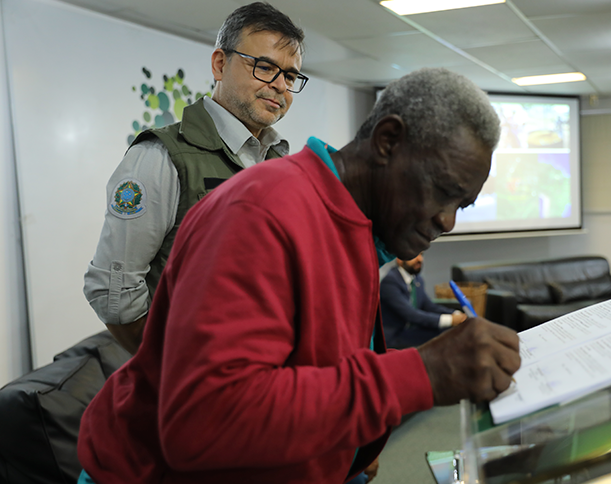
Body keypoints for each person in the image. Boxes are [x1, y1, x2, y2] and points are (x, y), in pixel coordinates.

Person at [78, 67, 521, 484]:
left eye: (462, 206)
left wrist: (350, 447)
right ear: (388, 141)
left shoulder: (357, 229)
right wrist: (421, 373)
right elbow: (205, 421)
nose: (447, 221)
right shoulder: (261, 210)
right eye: (443, 191)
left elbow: (308, 370)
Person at [83, 2, 306, 355]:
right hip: (193, 374)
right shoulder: (161, 156)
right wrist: (169, 366)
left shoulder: (280, 161)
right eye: (265, 67)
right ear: (220, 64)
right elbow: (113, 291)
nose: (280, 85)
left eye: (290, 76)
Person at [381, 252, 467, 348]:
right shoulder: (390, 281)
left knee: (448, 331)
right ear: (400, 260)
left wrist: (455, 314)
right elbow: (411, 315)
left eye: (421, 255)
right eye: (415, 255)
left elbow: (430, 306)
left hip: (411, 331)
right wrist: (450, 320)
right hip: (394, 336)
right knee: (445, 335)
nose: (420, 259)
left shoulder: (417, 279)